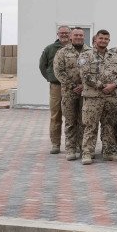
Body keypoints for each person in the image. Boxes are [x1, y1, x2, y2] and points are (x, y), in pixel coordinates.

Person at [78, 30, 117, 165]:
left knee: (109, 126)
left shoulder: (115, 57)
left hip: (111, 97)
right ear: (95, 39)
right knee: (90, 126)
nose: (103, 41)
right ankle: (87, 153)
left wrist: (114, 85)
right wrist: (102, 85)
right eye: (101, 38)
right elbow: (85, 75)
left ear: (109, 41)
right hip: (93, 97)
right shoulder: (86, 56)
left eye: (106, 39)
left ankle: (109, 152)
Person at [53, 27, 86, 160]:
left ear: (84, 37)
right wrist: (73, 86)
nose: (78, 37)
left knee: (84, 121)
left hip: (86, 93)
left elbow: (96, 70)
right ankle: (70, 149)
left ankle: (83, 147)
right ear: (71, 37)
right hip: (69, 93)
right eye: (76, 35)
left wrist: (84, 85)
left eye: (81, 35)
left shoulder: (90, 51)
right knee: (71, 121)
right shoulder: (62, 52)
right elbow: (58, 72)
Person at [40, 25, 70, 154]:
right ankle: (55, 144)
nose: (64, 35)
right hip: (56, 87)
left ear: (70, 34)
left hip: (73, 88)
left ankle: (73, 144)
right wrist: (51, 78)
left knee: (73, 116)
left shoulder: (76, 48)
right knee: (56, 115)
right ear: (57, 34)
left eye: (66, 33)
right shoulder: (50, 49)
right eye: (61, 33)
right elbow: (43, 66)